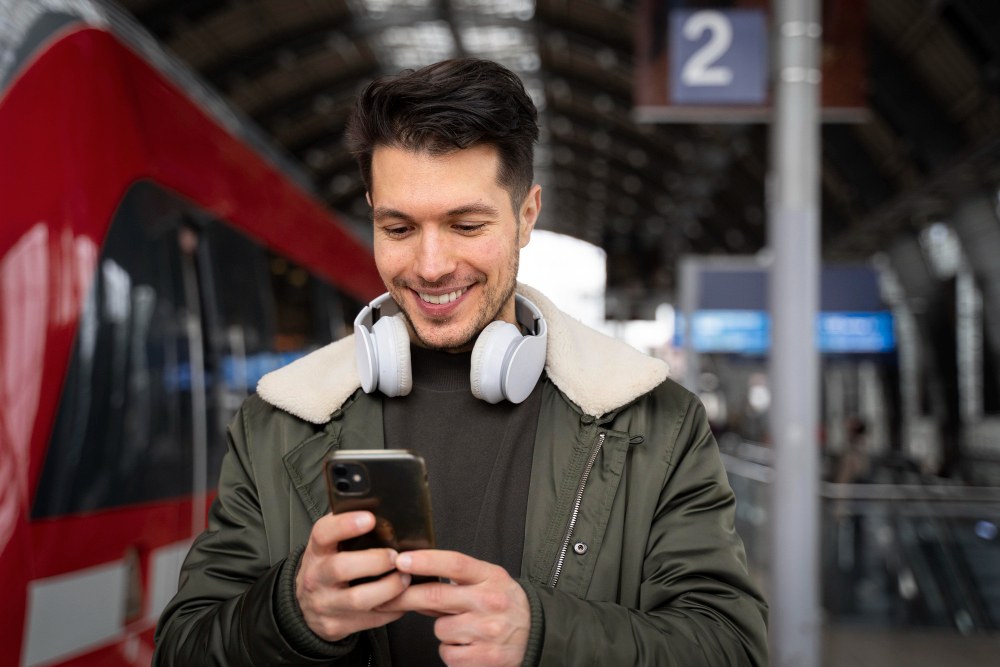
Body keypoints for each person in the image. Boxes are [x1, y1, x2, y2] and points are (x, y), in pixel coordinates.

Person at [153, 57, 768, 666]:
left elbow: (731, 646)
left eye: (466, 224)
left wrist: (544, 636)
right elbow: (184, 646)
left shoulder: (654, 423)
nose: (430, 264)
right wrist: (291, 612)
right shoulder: (279, 420)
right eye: (397, 229)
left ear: (527, 216)